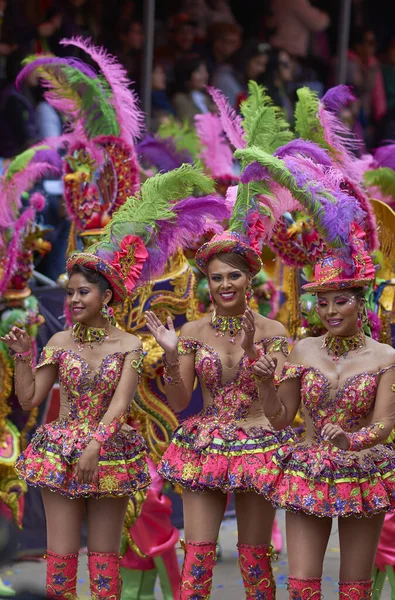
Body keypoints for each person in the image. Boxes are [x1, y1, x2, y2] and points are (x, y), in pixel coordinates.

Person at [145, 231, 293, 599]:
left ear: (249, 279)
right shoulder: (192, 331)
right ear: (207, 283)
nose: (226, 284)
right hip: (206, 445)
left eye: (234, 275)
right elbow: (180, 402)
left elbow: (282, 410)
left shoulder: (273, 331)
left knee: (255, 558)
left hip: (260, 443)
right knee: (197, 558)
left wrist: (252, 353)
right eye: (217, 277)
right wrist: (170, 353)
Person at [1, 244, 151, 600]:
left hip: (110, 451)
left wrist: (95, 445)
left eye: (83, 292)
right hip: (62, 452)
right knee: (61, 558)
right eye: (70, 293)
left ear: (107, 295)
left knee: (104, 561)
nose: (73, 300)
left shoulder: (130, 344)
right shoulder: (59, 341)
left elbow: (120, 403)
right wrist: (23, 357)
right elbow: (29, 398)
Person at [254, 224, 395, 600]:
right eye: (324, 302)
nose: (330, 311)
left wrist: (352, 440)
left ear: (360, 301)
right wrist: (265, 385)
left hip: (363, 468)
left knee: (354, 587)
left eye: (341, 300)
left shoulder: (385, 357)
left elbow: (383, 424)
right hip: (309, 467)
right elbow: (282, 417)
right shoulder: (304, 350)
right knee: (301, 585)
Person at [172, 57, 214, 123]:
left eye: (205, 71)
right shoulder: (180, 99)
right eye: (199, 72)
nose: (205, 75)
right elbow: (189, 124)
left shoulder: (207, 98)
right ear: (187, 76)